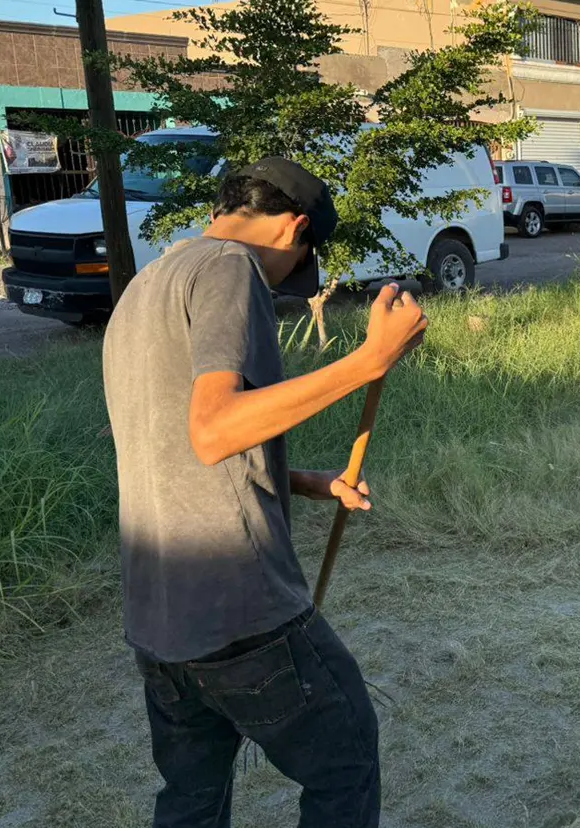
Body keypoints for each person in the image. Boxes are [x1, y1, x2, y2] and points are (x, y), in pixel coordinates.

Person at [102, 157, 428, 827]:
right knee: (344, 761)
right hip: (236, 612)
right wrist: (371, 360)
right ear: (295, 227)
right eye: (298, 263)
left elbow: (172, 448)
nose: (285, 283)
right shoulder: (229, 269)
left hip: (159, 619)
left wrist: (304, 481)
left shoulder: (148, 284)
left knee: (192, 801)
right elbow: (216, 430)